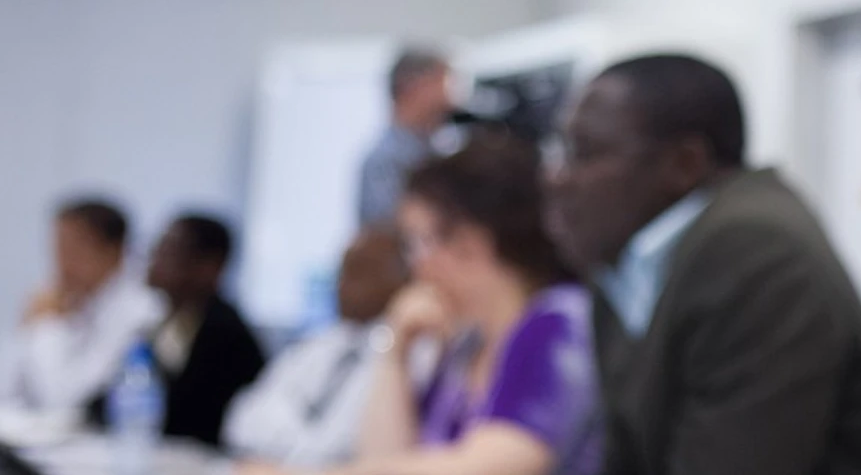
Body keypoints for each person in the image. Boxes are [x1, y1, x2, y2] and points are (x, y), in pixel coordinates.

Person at [546, 54, 861, 475]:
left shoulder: (754, 251)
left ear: (684, 163)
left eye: (584, 153)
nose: (558, 177)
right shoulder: (627, 258)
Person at [249, 132, 602, 475]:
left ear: (471, 242)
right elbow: (386, 456)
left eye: (418, 242)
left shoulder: (557, 321)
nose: (414, 265)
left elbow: (487, 466)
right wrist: (396, 352)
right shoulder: (466, 344)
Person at [225, 226, 412, 468]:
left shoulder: (408, 355)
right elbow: (242, 420)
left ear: (404, 280)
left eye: (359, 272)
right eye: (342, 272)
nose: (342, 284)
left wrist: (285, 453)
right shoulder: (323, 344)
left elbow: (342, 449)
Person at [0, 199, 161, 433]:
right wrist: (29, 327)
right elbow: (6, 387)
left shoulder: (141, 311)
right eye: (58, 248)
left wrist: (49, 324)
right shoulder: (70, 299)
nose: (62, 262)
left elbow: (63, 399)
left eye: (74, 249)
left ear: (113, 250)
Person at [117, 213, 268, 449]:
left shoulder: (227, 335)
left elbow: (187, 416)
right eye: (156, 249)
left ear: (209, 266)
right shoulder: (163, 322)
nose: (154, 260)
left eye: (169, 252)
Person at [359, 47, 453, 226]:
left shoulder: (437, 149)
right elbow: (389, 232)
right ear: (411, 87)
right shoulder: (384, 160)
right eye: (440, 83)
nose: (448, 99)